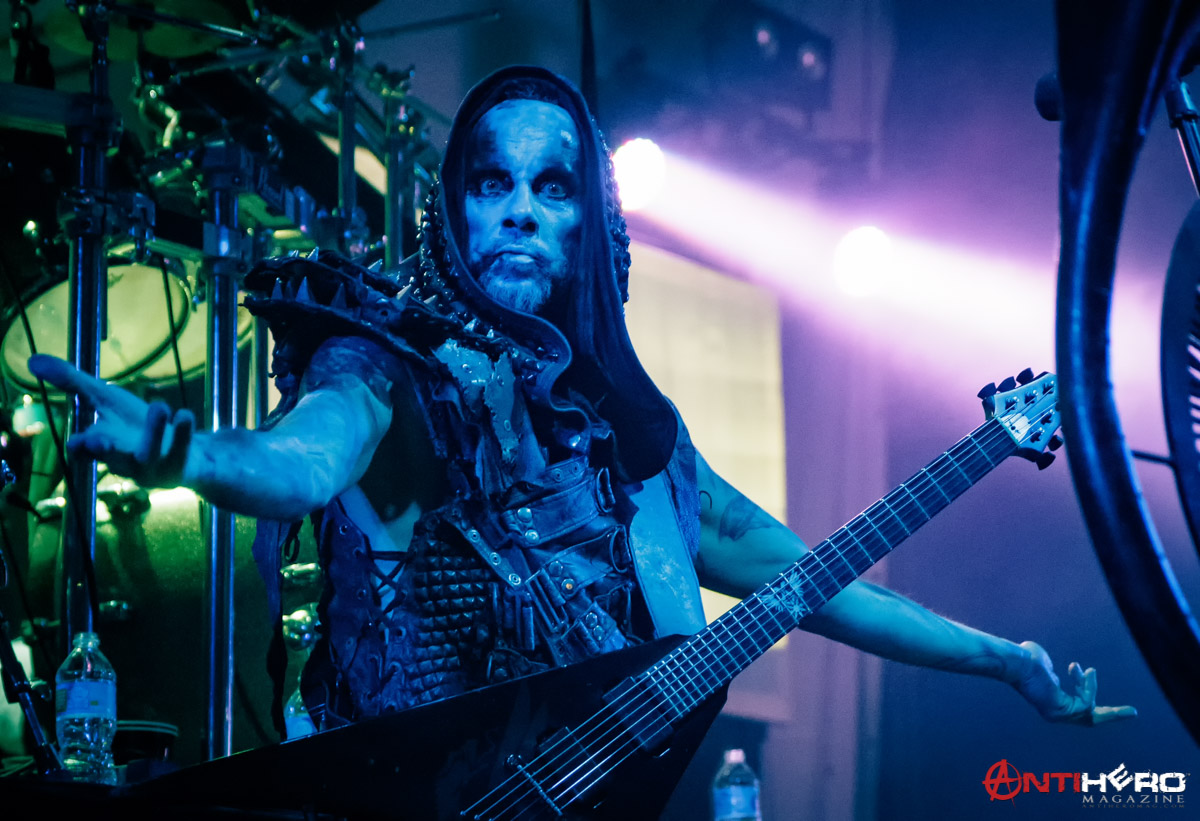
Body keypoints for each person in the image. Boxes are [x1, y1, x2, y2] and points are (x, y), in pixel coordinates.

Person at [28, 67, 1133, 735]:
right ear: (454, 211)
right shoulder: (383, 367)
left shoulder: (638, 447)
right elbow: (299, 464)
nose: (517, 210)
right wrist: (178, 446)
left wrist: (1003, 658)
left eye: (550, 186)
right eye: (490, 182)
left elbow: (815, 583)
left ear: (588, 226)